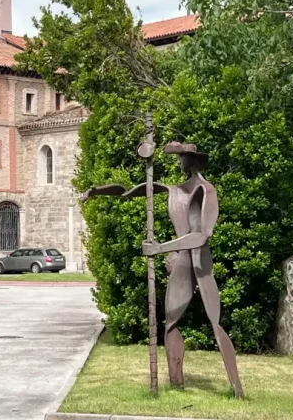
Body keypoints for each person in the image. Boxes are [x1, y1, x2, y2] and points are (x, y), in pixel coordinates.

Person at [81, 141, 243, 398]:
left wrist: (161, 248)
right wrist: (97, 191)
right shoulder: (174, 190)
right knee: (170, 324)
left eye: (181, 158)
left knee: (215, 323)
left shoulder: (206, 190)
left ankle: (237, 388)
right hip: (181, 263)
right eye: (177, 157)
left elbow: (202, 236)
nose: (178, 162)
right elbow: (130, 192)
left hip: (200, 263)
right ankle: (176, 383)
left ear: (192, 160)